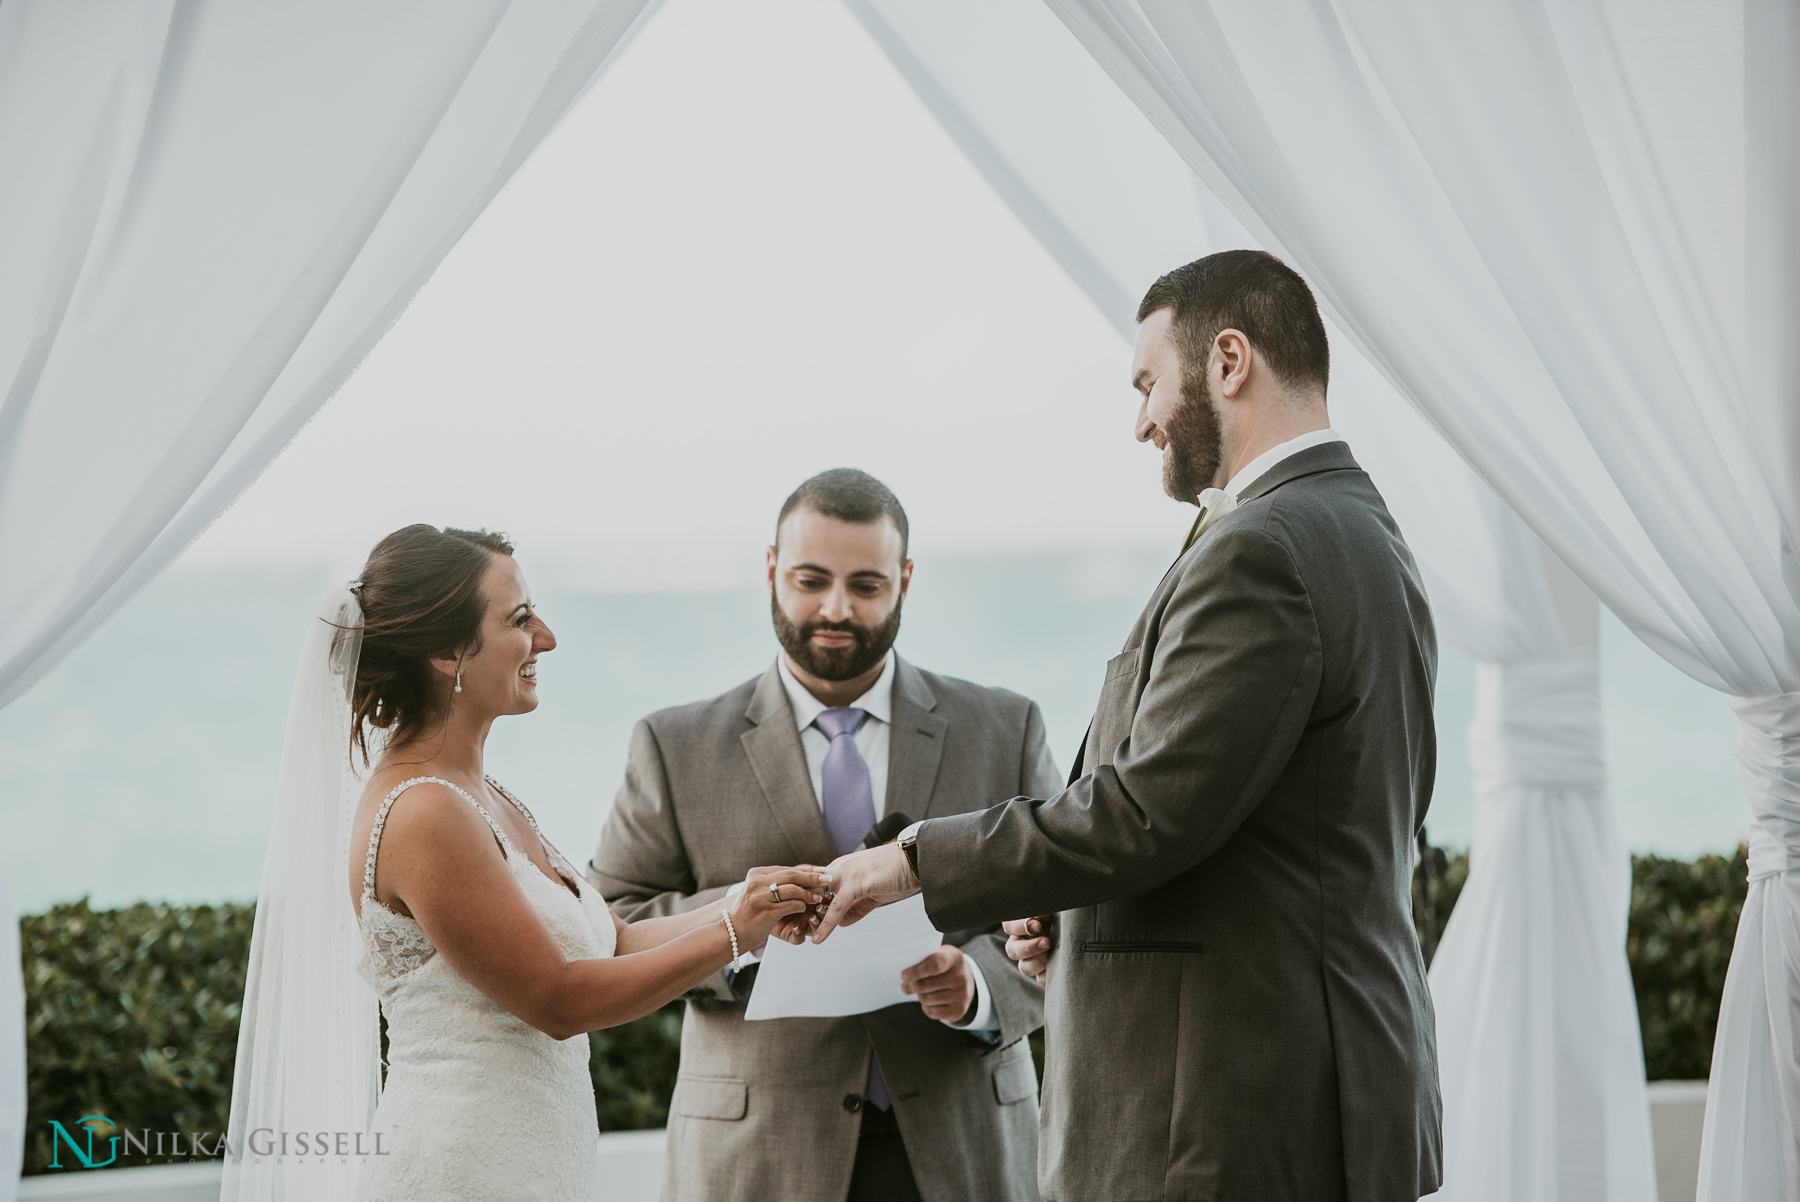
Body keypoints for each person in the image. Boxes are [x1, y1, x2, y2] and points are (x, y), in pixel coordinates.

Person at [812, 253, 1444, 1202]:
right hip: (1305, 1093)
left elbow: (1147, 812)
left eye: (1149, 381)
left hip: (1228, 1118)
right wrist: (1070, 908)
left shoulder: (1263, 550)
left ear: (1229, 361)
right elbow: (1276, 827)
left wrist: (911, 862)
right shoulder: (1363, 532)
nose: (1140, 419)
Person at [229, 524, 827, 1202]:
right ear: (448, 652)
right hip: (465, 1172)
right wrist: (732, 936)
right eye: (519, 618)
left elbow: (616, 941)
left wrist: (746, 900)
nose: (546, 636)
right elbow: (558, 998)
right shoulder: (424, 812)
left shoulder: (478, 794)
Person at [588, 470, 1060, 1202]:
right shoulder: (673, 744)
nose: (836, 609)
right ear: (772, 569)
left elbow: (1068, 915)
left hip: (964, 1150)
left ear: (905, 580)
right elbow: (612, 923)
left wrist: (979, 990)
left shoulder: (1005, 727)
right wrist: (739, 931)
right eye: (811, 580)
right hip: (757, 1156)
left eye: (866, 585)